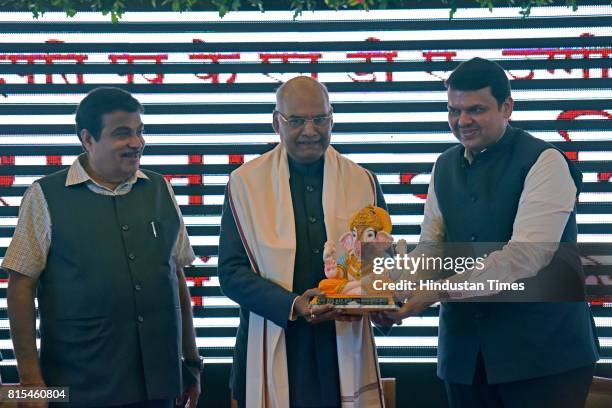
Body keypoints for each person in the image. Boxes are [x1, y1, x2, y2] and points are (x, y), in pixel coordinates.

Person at [381, 57, 600, 408]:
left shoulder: (545, 161)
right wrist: (386, 293)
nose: (462, 121)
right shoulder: (444, 165)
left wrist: (435, 293)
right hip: (464, 358)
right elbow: (432, 249)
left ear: (507, 106)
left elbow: (527, 255)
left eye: (476, 109)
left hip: (543, 357)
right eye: (453, 110)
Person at [2, 87, 201, 407]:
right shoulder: (45, 195)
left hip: (159, 387)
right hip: (78, 389)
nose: (136, 143)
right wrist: (30, 382)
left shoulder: (160, 188)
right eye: (122, 134)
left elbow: (174, 276)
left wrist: (191, 363)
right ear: (87, 139)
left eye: (139, 132)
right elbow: (21, 286)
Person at [218, 76, 387, 407]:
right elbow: (231, 272)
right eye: (296, 121)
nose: (310, 131)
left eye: (320, 119)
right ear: (276, 122)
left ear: (332, 119)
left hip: (340, 344)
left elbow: (381, 263)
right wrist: (295, 304)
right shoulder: (245, 184)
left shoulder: (362, 181)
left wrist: (374, 297)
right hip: (274, 338)